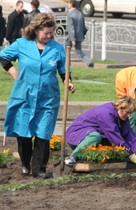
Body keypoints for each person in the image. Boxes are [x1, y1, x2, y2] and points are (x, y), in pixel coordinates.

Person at [0, 13, 76, 178]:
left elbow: (64, 70)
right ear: (35, 30)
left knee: (43, 133)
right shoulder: (22, 44)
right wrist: (13, 71)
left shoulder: (56, 48)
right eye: (45, 33)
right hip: (24, 96)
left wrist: (68, 81)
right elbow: (3, 56)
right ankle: (25, 163)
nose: (49, 36)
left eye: (51, 33)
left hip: (47, 98)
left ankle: (39, 169)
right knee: (24, 133)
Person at [64, 96, 136, 166]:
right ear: (120, 107)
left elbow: (129, 135)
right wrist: (130, 154)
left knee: (105, 140)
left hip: (91, 136)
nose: (129, 115)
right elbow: (114, 136)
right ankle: (73, 157)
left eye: (130, 113)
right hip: (76, 135)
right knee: (95, 136)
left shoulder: (122, 116)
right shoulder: (106, 113)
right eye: (127, 112)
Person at [66, 0, 94, 68]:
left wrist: (72, 39)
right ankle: (89, 62)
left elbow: (71, 28)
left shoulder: (70, 15)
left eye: (68, 3)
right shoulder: (80, 13)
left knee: (66, 52)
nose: (67, 5)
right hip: (79, 36)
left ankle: (67, 65)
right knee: (79, 51)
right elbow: (83, 26)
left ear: (71, 4)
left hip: (71, 37)